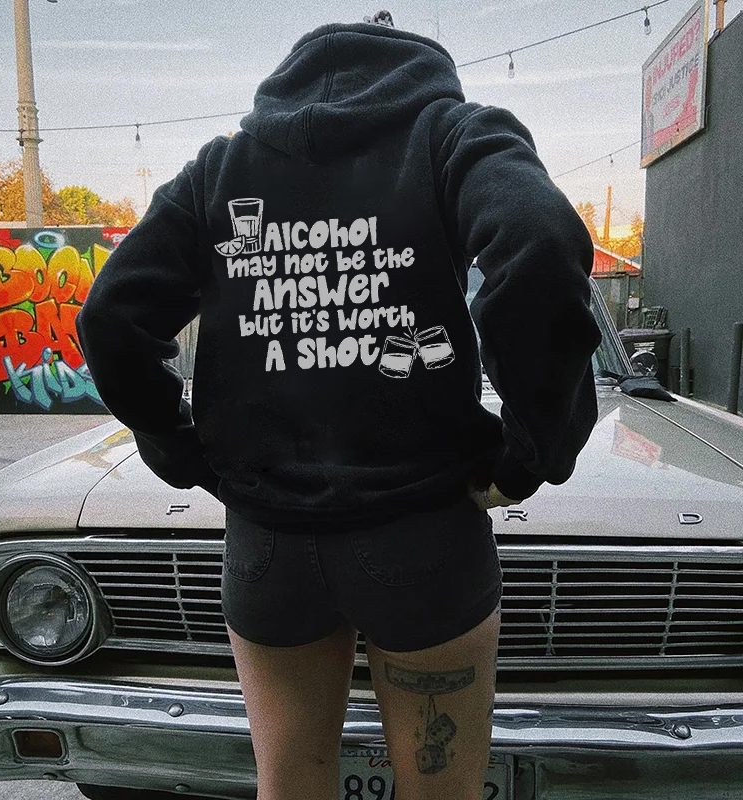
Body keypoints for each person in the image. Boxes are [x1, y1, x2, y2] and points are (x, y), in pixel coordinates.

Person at [76, 10, 602, 800]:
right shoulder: (453, 136)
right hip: (423, 535)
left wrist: (181, 448)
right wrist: (529, 453)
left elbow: (111, 316)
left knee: (290, 780)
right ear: (419, 65)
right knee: (442, 791)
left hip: (268, 542)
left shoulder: (221, 168)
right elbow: (539, 243)